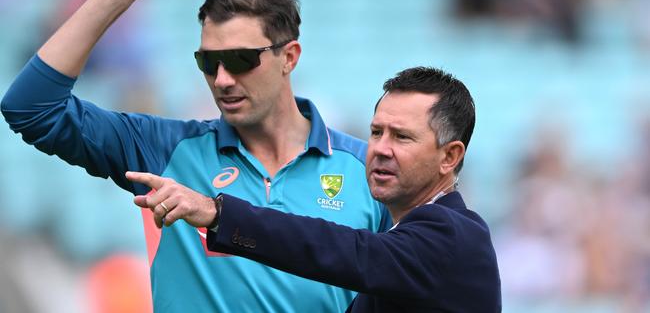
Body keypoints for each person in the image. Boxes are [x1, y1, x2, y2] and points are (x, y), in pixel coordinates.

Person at [0, 0, 390, 311]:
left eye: (239, 59)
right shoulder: (166, 150)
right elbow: (31, 108)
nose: (221, 80)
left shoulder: (368, 171)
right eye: (208, 62)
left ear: (289, 57)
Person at [128, 67, 503, 312]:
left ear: (449, 157)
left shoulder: (452, 234)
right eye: (376, 132)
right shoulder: (409, 239)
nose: (381, 148)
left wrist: (217, 213)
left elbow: (343, 250)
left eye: (402, 137)